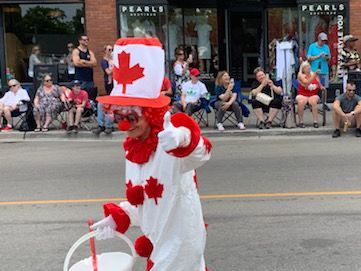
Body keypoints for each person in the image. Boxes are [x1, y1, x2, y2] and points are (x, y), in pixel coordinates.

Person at [90, 37, 211, 271]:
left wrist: (182, 139)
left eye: (132, 117)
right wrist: (120, 216)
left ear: (151, 113)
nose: (125, 125)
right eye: (119, 117)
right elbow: (149, 203)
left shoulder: (169, 141)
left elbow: (201, 152)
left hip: (181, 251)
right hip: (158, 248)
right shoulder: (132, 150)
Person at [296, 61, 323, 128]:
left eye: (308, 66)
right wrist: (314, 75)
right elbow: (306, 83)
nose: (308, 68)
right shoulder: (300, 75)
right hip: (302, 94)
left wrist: (321, 87)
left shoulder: (313, 74)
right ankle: (301, 121)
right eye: (306, 67)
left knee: (313, 102)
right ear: (303, 69)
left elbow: (319, 84)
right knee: (301, 102)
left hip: (313, 94)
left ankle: (315, 121)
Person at [72, 34, 97, 100]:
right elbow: (76, 63)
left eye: (87, 40)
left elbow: (94, 63)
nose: (86, 41)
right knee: (80, 98)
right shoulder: (76, 51)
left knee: (90, 98)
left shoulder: (90, 52)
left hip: (89, 80)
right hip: (80, 80)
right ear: (80, 41)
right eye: (84, 40)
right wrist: (89, 63)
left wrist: (83, 61)